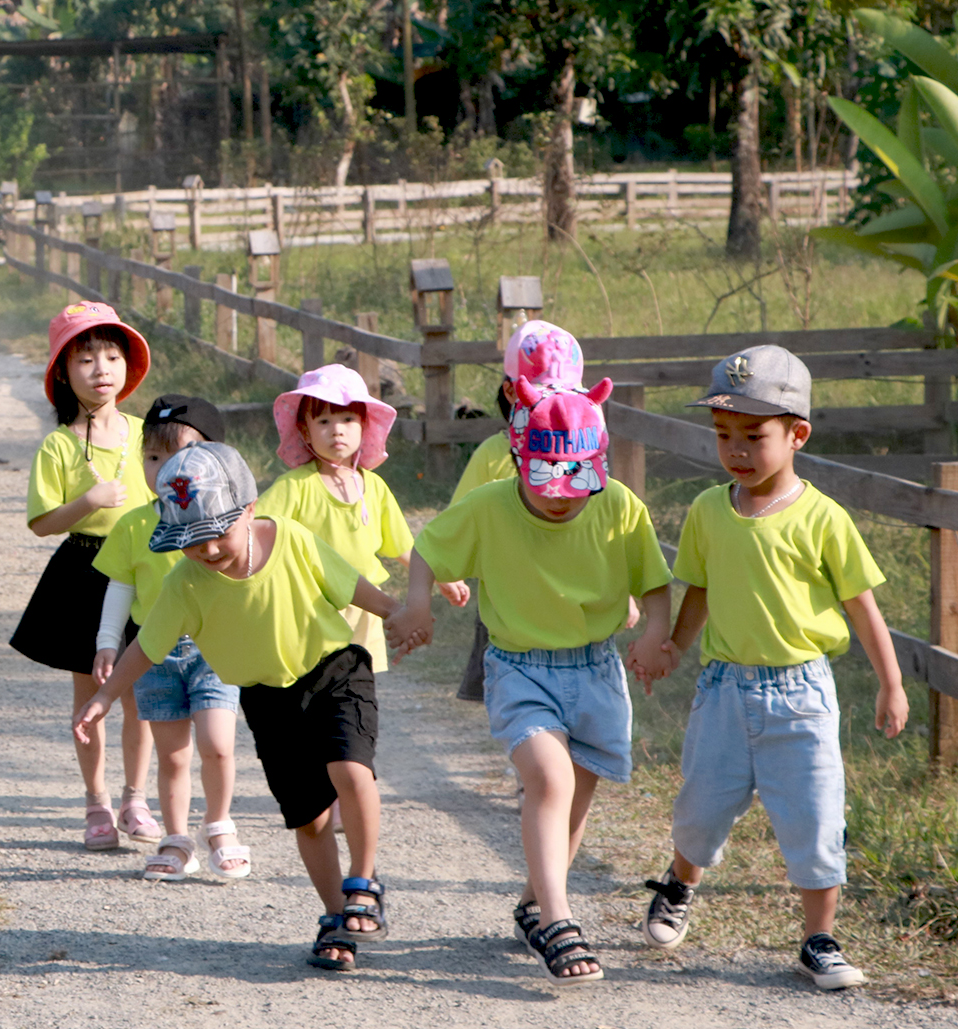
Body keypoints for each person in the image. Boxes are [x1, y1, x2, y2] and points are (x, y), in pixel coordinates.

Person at [636, 345, 907, 990]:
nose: (736, 449)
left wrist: (892, 684)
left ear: (797, 435)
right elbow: (698, 588)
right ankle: (680, 881)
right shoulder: (708, 510)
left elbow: (862, 606)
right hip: (725, 690)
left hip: (801, 693)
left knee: (815, 817)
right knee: (701, 808)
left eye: (754, 436)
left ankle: (819, 938)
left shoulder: (822, 518)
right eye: (723, 434)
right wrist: (674, 641)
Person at [388, 376, 673, 987]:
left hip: (596, 668)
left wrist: (654, 630)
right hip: (520, 667)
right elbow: (429, 550)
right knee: (550, 779)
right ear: (518, 459)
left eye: (576, 485)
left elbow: (652, 580)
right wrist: (417, 604)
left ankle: (534, 905)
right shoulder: (490, 505)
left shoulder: (619, 505)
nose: (561, 499)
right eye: (546, 481)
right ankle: (561, 921)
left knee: (572, 802)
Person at [80, 441, 402, 970]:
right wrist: (105, 696)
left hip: (334, 670)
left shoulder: (292, 538)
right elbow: (148, 645)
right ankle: (335, 916)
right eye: (190, 541)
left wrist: (397, 614)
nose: (206, 551)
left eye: (216, 533)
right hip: (267, 699)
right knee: (311, 818)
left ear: (249, 510)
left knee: (351, 769)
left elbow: (352, 584)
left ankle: (363, 883)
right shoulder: (185, 582)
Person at [10, 301, 161, 851]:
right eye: (86, 359)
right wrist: (87, 500)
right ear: (63, 373)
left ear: (128, 367)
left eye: (112, 356)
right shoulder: (59, 444)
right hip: (83, 572)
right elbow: (42, 523)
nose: (101, 368)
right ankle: (96, 803)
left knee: (142, 696)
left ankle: (136, 799)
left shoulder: (149, 434)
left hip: (143, 574)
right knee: (91, 695)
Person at [91, 395, 248, 883]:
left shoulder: (229, 520)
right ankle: (177, 838)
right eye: (153, 458)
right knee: (173, 755)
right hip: (153, 654)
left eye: (177, 458)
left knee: (218, 745)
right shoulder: (136, 524)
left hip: (214, 649)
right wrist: (107, 642)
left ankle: (219, 825)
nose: (163, 470)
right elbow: (122, 585)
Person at [448, 320, 584, 702]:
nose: (551, 403)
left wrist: (621, 589)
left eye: (564, 393)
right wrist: (447, 572)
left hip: (570, 597)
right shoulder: (493, 453)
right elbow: (458, 521)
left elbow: (601, 520)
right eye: (540, 392)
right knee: (507, 695)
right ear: (510, 390)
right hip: (505, 604)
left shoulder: (580, 453)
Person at [256, 363, 414, 673]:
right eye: (324, 421)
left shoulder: (375, 487)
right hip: (312, 608)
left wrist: (441, 577)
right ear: (305, 430)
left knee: (359, 683)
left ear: (364, 425)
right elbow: (256, 532)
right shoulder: (295, 486)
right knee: (316, 683)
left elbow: (401, 545)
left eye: (347, 419)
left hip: (365, 607)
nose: (337, 429)